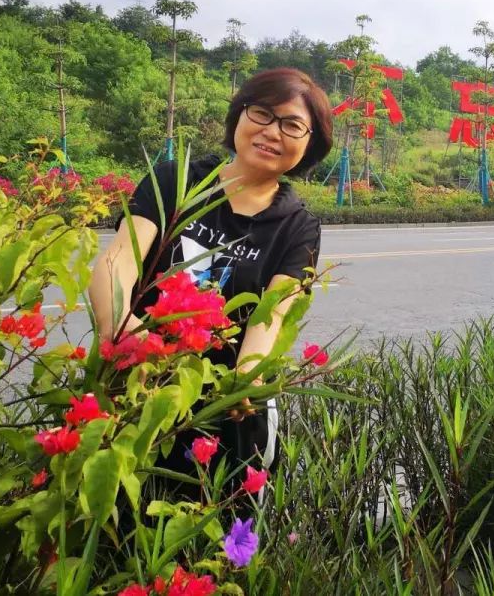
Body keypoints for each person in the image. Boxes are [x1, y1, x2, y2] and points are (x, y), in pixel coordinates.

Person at [88, 67, 333, 496]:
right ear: (239, 115)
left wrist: (245, 382)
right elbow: (120, 259)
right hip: (137, 381)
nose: (272, 132)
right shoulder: (177, 180)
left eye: (292, 124)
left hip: (225, 410)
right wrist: (123, 336)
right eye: (262, 113)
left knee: (211, 535)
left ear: (310, 144)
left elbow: (272, 313)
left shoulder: (298, 227)